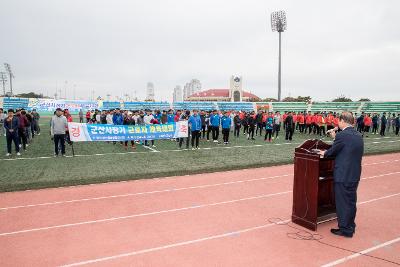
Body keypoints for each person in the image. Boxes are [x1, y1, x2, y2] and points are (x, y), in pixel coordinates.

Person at [319, 112, 363, 238]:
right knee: (350, 201)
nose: (337, 123)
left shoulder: (342, 135)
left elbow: (332, 152)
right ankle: (350, 226)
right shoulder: (357, 134)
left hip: (343, 175)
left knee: (343, 202)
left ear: (343, 121)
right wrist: (335, 137)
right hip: (354, 174)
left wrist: (324, 152)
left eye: (338, 121)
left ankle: (345, 229)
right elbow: (346, 149)